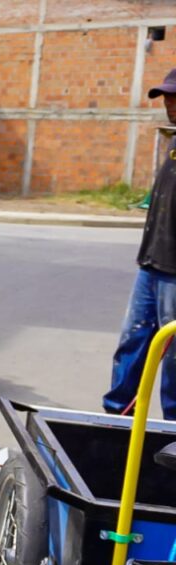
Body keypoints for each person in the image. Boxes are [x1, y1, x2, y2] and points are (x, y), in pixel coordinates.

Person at [103, 68, 176, 420]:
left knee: (174, 359)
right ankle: (115, 419)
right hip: (151, 267)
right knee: (132, 344)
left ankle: (172, 434)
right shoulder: (175, 142)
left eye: (175, 96)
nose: (169, 104)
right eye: (166, 97)